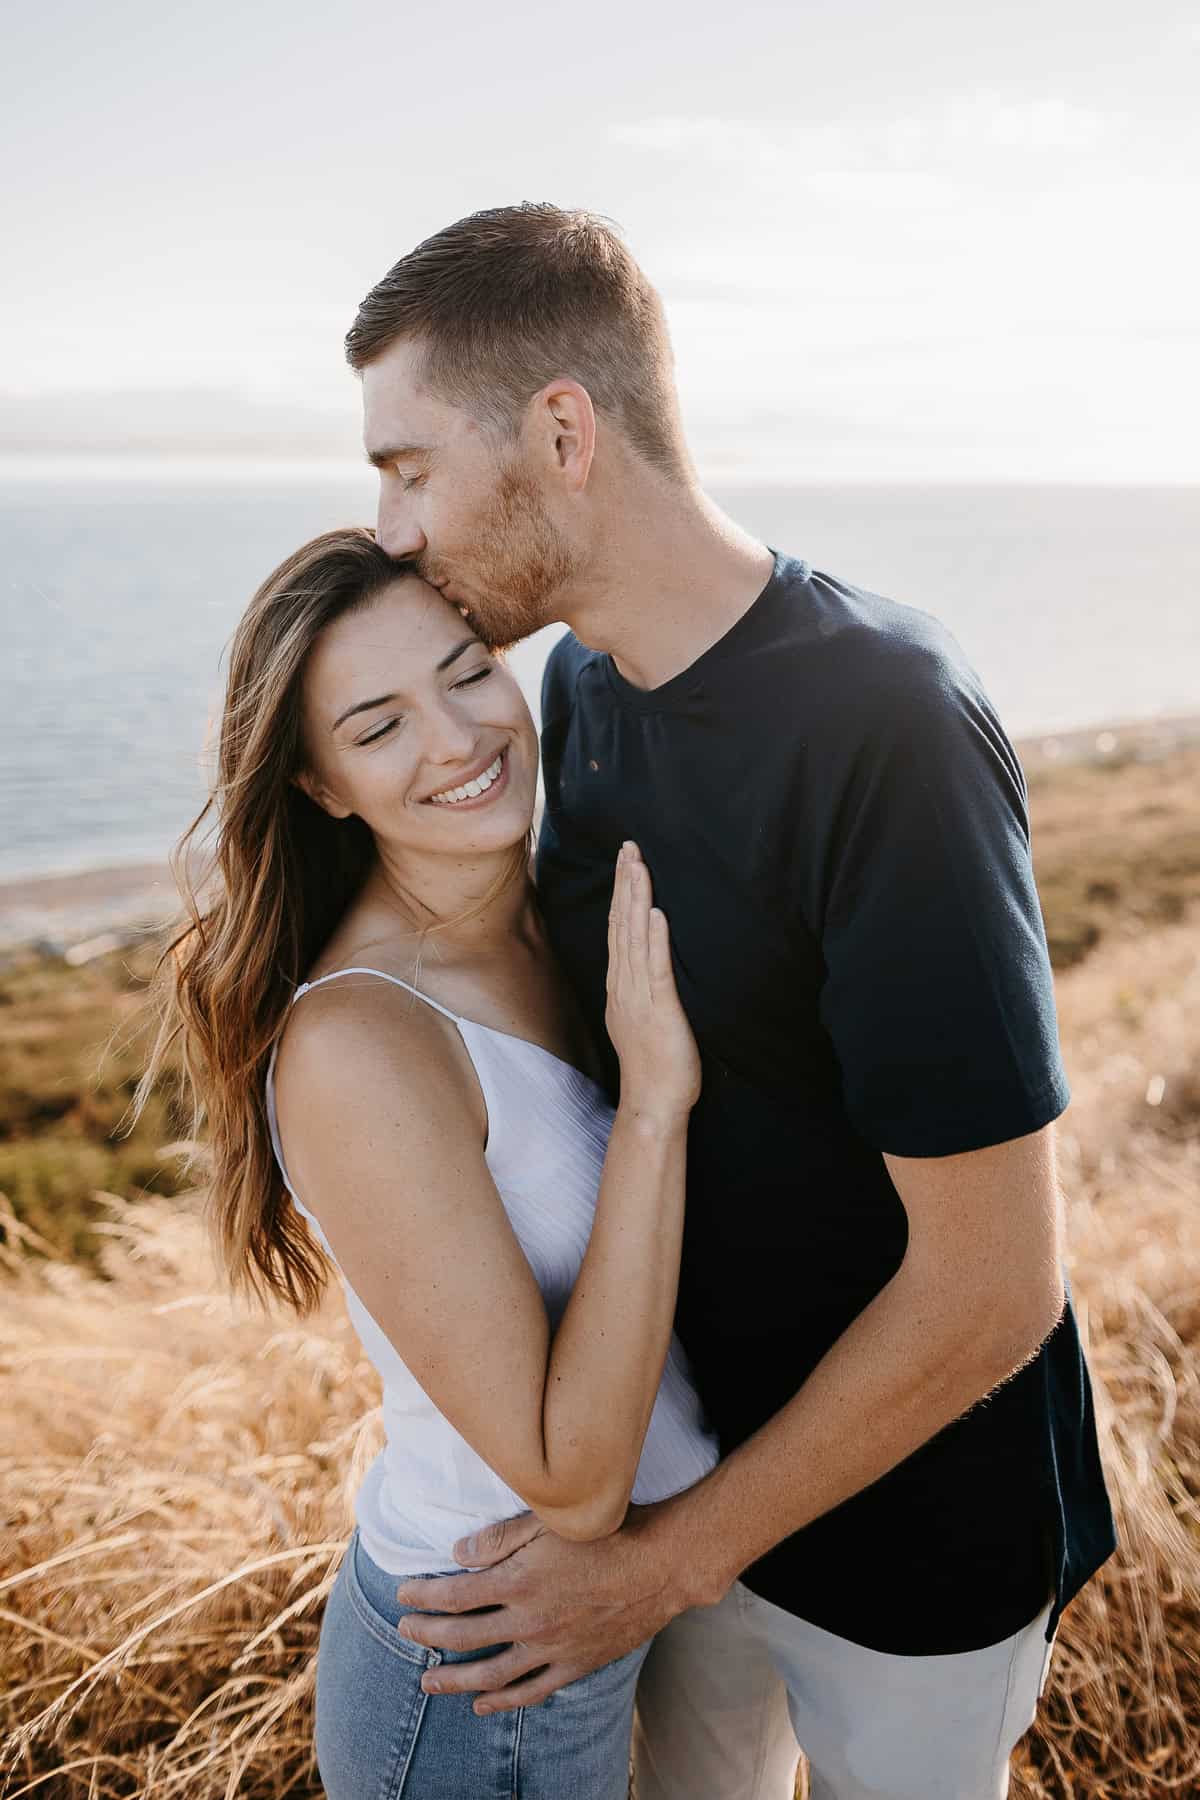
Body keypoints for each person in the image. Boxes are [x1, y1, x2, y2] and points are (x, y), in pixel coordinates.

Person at [341, 202, 1118, 1800]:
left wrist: (662, 1566)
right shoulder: (580, 692)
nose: (397, 528)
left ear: (561, 431)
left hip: (915, 1550)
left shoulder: (883, 723)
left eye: (409, 468)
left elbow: (994, 1286)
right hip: (690, 1499)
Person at [134, 526, 723, 1799]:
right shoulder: (363, 1041)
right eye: (379, 725)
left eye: (466, 672)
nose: (457, 740)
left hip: (630, 1608)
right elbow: (568, 1481)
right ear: (322, 786)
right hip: (482, 1674)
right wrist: (655, 1107)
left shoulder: (555, 912)